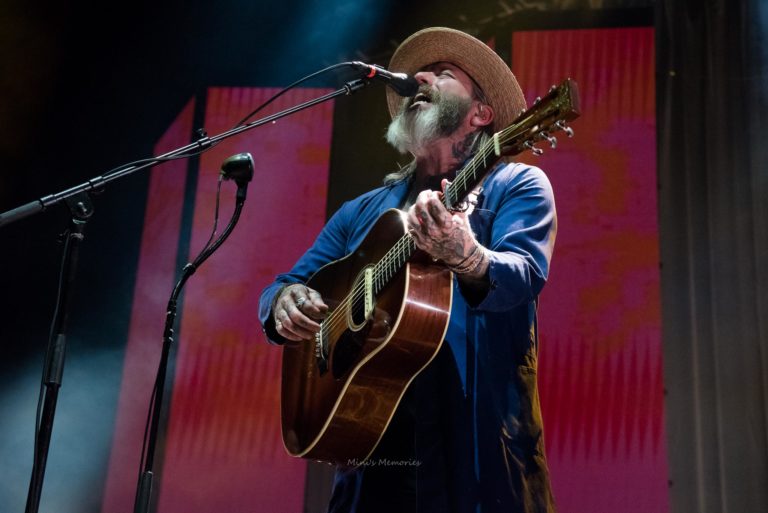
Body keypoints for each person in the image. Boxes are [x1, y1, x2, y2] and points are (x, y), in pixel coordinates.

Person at [259, 27, 557, 513]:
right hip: (370, 456)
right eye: (422, 71)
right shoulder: (361, 212)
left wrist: (467, 255)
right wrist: (282, 304)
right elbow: (285, 286)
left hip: (475, 454)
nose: (419, 77)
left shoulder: (515, 184)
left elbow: (524, 275)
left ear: (481, 114)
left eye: (443, 73)